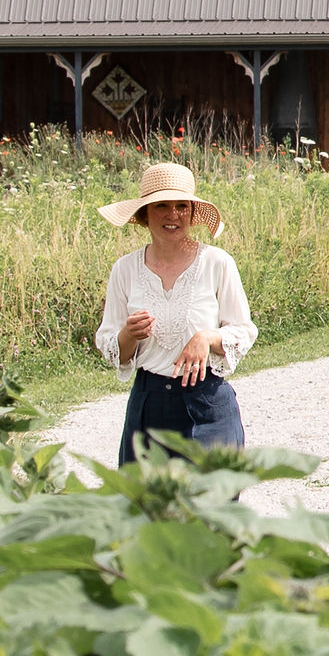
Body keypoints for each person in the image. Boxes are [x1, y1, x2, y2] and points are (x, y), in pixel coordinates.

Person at [96, 160, 257, 462]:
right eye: (161, 206)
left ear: (192, 213)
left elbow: (244, 331)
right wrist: (128, 334)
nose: (173, 215)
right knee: (147, 506)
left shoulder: (217, 263)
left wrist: (208, 337)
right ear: (144, 215)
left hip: (207, 403)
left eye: (182, 206)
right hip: (149, 404)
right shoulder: (125, 269)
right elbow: (111, 345)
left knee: (210, 504)